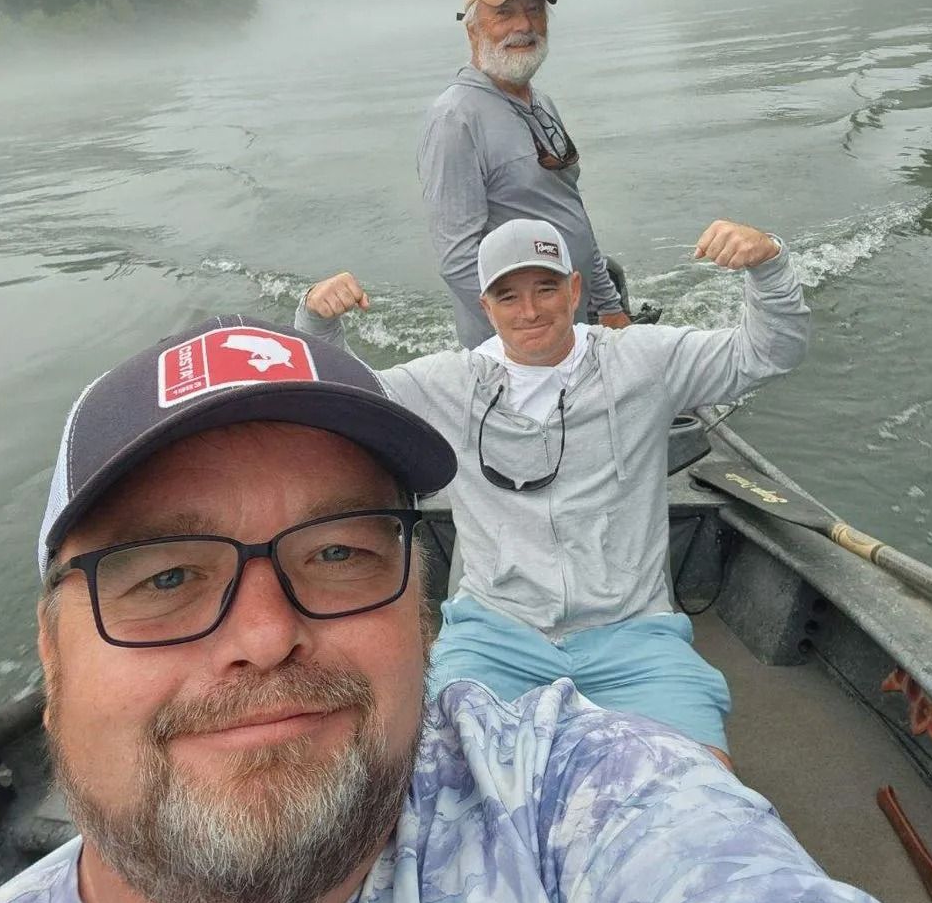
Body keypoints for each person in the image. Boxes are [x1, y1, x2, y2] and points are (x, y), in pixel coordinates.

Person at [0, 315, 932, 903]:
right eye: (168, 577)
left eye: (340, 552)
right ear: (51, 652)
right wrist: (329, 329)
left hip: (634, 629)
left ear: (418, 612)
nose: (266, 637)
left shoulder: (580, 796)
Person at [295, 217, 811, 764]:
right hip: (494, 635)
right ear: (485, 307)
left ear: (575, 289)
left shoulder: (646, 360)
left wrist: (767, 262)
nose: (531, 310)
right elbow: (333, 399)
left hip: (634, 633)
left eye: (546, 287)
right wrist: (316, 320)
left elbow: (769, 354)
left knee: (705, 788)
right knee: (429, 782)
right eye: (508, 295)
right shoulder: (446, 382)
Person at [418, 0, 632, 348]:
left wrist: (609, 303)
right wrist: (531, 327)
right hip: (522, 348)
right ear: (473, 30)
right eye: (505, 13)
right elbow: (458, 258)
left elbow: (570, 212)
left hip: (571, 326)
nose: (524, 25)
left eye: (535, 10)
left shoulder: (541, 103)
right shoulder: (455, 119)